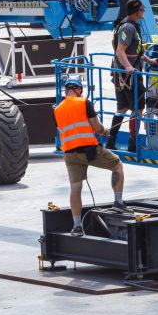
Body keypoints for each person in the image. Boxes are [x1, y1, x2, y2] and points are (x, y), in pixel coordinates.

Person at [54, 76, 130, 237]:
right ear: (79, 89)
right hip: (90, 151)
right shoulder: (84, 102)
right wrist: (105, 132)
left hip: (69, 154)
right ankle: (118, 202)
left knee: (76, 186)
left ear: (66, 90)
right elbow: (96, 126)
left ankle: (76, 226)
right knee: (117, 165)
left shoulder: (57, 109)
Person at [108, 0, 158, 153]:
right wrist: (129, 67)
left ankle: (111, 141)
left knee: (122, 108)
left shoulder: (128, 25)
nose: (144, 12)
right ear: (137, 12)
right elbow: (120, 51)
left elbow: (135, 51)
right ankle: (133, 144)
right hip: (129, 76)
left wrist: (150, 60)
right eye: (142, 10)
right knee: (138, 109)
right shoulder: (128, 28)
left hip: (121, 74)